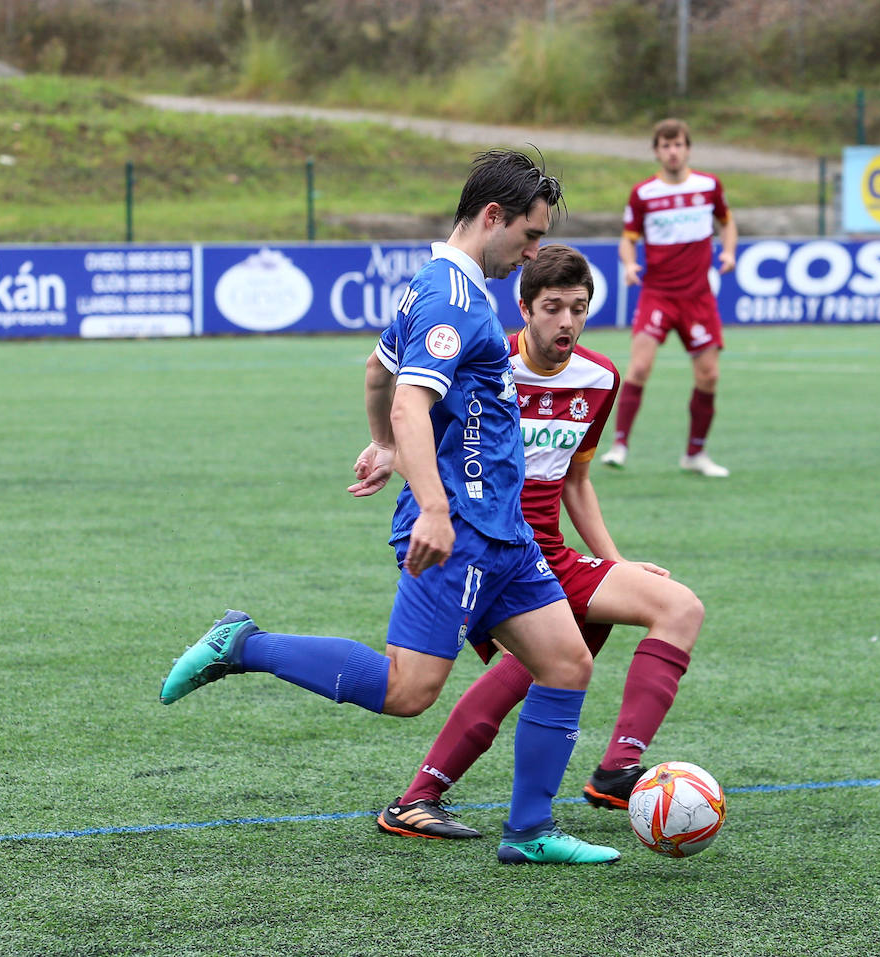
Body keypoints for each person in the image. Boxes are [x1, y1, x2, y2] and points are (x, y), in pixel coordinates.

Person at [159, 149, 620, 866]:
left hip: (505, 531)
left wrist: (380, 444)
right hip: (460, 529)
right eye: (530, 236)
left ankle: (529, 831)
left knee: (566, 661)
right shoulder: (451, 299)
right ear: (492, 217)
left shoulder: (437, 286)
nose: (534, 251)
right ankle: (242, 643)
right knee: (409, 690)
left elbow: (378, 369)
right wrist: (431, 506)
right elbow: (408, 396)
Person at [370, 244, 705, 840]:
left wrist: (615, 562)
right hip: (487, 545)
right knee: (534, 667)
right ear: (523, 310)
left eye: (579, 308)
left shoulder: (599, 378)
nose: (567, 322)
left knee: (677, 605)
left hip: (549, 551)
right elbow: (408, 406)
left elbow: (576, 480)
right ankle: (421, 796)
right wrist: (399, 467)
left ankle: (617, 769)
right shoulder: (486, 361)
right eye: (553, 308)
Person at [599, 117, 738, 478]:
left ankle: (695, 454)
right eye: (665, 145)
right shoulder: (644, 193)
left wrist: (729, 252)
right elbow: (628, 238)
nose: (673, 151)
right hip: (657, 294)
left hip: (697, 298)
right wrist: (629, 266)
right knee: (640, 367)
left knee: (708, 375)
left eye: (678, 144)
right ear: (656, 151)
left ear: (688, 148)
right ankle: (620, 445)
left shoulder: (709, 186)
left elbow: (727, 221)